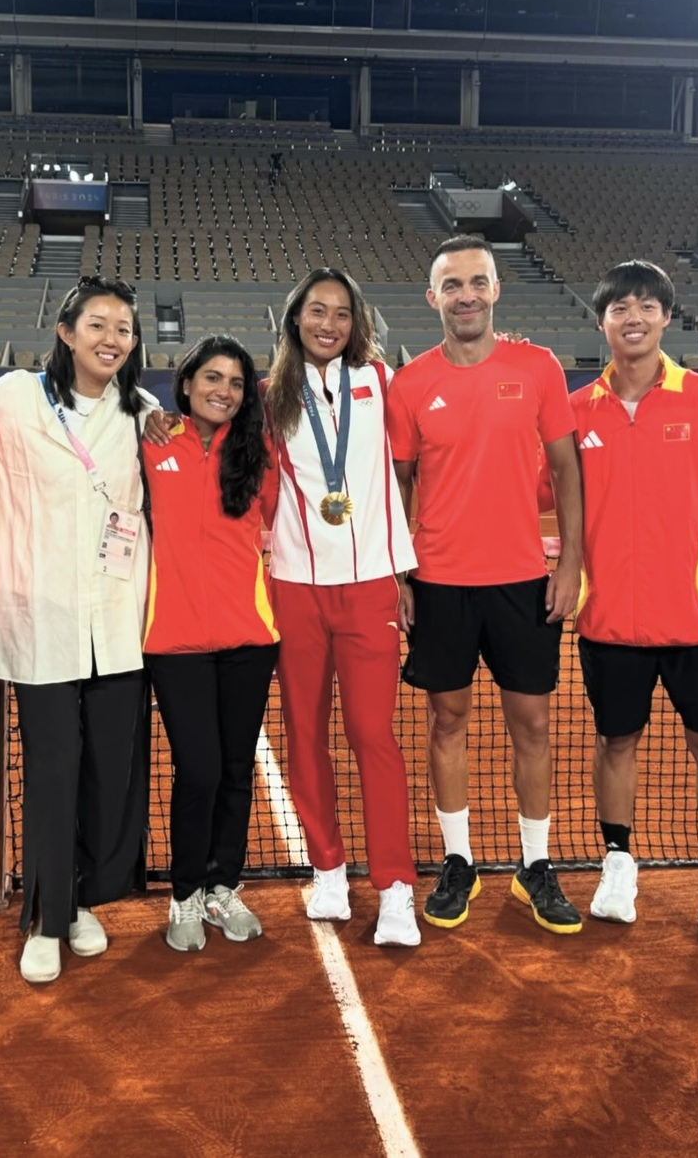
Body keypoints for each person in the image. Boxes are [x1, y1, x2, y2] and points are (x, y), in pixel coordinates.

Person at [566, 260, 698, 953]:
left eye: (646, 306)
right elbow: (529, 489)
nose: (633, 316)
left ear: (665, 317)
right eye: (619, 306)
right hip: (609, 621)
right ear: (602, 322)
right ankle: (618, 866)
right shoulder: (574, 412)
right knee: (614, 742)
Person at [387, 234, 585, 936]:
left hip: (524, 583)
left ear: (496, 290)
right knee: (447, 722)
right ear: (432, 297)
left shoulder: (538, 367)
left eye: (478, 281)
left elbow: (566, 471)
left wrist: (569, 565)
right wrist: (401, 574)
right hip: (440, 583)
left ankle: (535, 866)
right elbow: (397, 487)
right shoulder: (409, 386)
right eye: (452, 284)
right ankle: (459, 860)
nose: (466, 294)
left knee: (532, 725)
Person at [0, 276, 155, 984]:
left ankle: (82, 901)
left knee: (110, 768)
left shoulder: (142, 411)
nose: (112, 339)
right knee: (51, 769)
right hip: (39, 620)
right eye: (98, 324)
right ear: (66, 332)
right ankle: (47, 917)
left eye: (124, 328)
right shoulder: (10, 396)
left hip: (116, 621)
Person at [263, 268, 421, 947]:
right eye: (316, 310)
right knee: (304, 734)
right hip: (293, 587)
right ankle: (328, 865)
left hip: (371, 588)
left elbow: (418, 461)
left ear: (358, 324)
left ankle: (394, 888)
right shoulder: (269, 398)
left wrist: (405, 569)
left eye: (342, 313)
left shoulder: (387, 385)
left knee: (372, 735)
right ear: (295, 317)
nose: (329, 323)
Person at [142, 335, 279, 952]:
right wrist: (147, 408)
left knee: (232, 770)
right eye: (212, 378)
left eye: (236, 382)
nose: (224, 391)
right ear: (188, 381)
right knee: (196, 770)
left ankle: (225, 887)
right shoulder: (151, 441)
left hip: (250, 638)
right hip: (174, 642)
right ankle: (184, 895)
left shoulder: (257, 452)